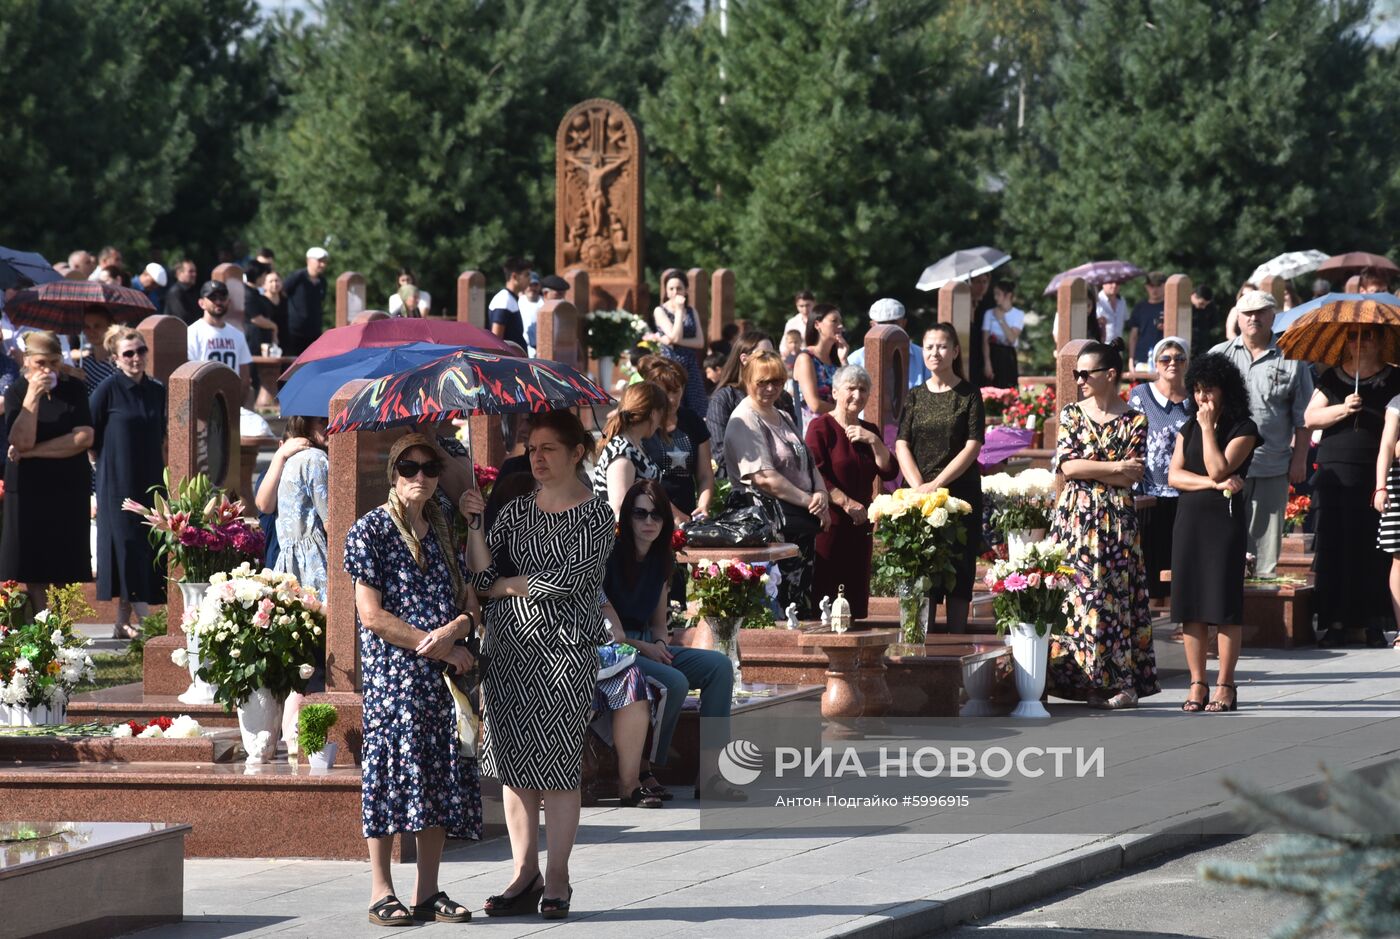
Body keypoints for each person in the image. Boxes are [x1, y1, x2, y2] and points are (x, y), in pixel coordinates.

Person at [460, 410, 615, 921]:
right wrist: (476, 526)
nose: (538, 457)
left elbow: (570, 581)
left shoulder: (596, 515)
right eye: (532, 448)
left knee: (558, 769)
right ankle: (523, 872)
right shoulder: (516, 510)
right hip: (508, 651)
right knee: (512, 766)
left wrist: (507, 585)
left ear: (577, 452)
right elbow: (484, 576)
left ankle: (558, 877)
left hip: (565, 651)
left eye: (549, 448)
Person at [344, 433, 482, 927]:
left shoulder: (446, 527)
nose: (420, 476)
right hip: (395, 677)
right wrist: (436, 640)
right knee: (387, 774)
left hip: (442, 677)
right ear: (393, 473)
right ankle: (381, 888)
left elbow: (470, 602)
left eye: (429, 467)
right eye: (409, 467)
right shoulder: (370, 532)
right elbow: (372, 615)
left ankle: (427, 891)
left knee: (441, 775)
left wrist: (457, 631)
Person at [602, 480, 740, 801]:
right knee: (675, 682)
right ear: (626, 518)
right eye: (640, 514)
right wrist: (647, 647)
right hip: (616, 650)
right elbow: (609, 631)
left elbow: (659, 624)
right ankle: (646, 767)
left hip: (650, 645)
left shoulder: (662, 560)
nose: (649, 522)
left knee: (719, 667)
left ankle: (710, 774)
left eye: (657, 515)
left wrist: (661, 645)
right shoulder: (609, 556)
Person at [1047, 340, 1158, 708]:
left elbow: (1133, 475)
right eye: (1076, 374)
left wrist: (1101, 469)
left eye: (1085, 374)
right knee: (1074, 597)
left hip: (1116, 521)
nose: (1079, 380)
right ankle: (1074, 682)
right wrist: (1112, 467)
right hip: (1076, 518)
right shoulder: (1071, 415)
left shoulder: (1135, 419)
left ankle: (1121, 683)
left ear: (1109, 375)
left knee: (1114, 598)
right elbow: (1069, 466)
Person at [1168, 354, 1261, 712]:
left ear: (1226, 390)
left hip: (1224, 522)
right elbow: (1174, 476)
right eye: (1197, 390)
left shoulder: (1244, 428)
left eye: (1209, 389)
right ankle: (1197, 682)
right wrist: (1211, 483)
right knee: (1190, 604)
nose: (1202, 397)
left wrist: (1209, 430)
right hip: (1189, 520)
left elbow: (1220, 467)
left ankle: (1225, 684)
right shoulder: (1187, 426)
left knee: (1223, 605)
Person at [1306, 328, 1400, 648]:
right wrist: (1343, 409)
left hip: (1374, 472)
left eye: (1370, 336)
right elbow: (1310, 418)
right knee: (1336, 546)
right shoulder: (1333, 377)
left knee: (1372, 549)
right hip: (1335, 470)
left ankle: (1373, 621)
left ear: (1381, 341)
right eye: (1353, 336)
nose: (1361, 342)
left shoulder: (1394, 379)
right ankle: (1336, 621)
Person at [1210, 290, 1312, 579]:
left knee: (1265, 552)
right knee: (1224, 544)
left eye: (1261, 312)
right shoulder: (1219, 356)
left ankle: (1262, 607)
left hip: (1273, 463)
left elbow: (1303, 416)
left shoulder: (1293, 357)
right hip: (1226, 467)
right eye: (1247, 313)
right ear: (1238, 317)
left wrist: (1300, 459)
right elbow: (1202, 412)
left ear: (1273, 315)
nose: (1254, 318)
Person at [725, 350, 830, 617]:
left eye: (778, 382)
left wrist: (821, 495)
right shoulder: (745, 419)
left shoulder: (784, 415)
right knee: (778, 603)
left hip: (799, 519)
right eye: (763, 382)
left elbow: (807, 460)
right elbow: (764, 478)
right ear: (748, 379)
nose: (771, 388)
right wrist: (811, 502)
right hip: (768, 521)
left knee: (801, 602)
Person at [894, 324, 985, 633]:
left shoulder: (969, 394)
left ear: (955, 351)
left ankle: (956, 643)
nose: (935, 352)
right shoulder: (915, 395)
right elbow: (902, 442)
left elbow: (973, 445)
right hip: (920, 497)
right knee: (923, 567)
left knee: (959, 568)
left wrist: (938, 484)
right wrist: (919, 485)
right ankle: (924, 639)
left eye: (942, 346)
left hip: (960, 494)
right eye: (929, 346)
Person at [0, 331, 94, 599]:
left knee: (65, 559)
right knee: (32, 561)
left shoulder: (73, 388)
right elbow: (21, 440)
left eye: (54, 362)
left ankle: (62, 627)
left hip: (67, 485)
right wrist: (33, 395)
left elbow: (83, 437)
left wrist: (31, 453)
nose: (48, 369)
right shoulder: (17, 391)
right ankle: (41, 624)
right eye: (41, 362)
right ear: (27, 360)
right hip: (29, 486)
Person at [89, 326, 165, 639]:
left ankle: (123, 620)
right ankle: (140, 620)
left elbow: (162, 436)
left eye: (140, 351)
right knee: (124, 545)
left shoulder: (157, 390)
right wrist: (98, 469)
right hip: (117, 480)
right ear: (116, 359)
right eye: (128, 353)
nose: (136, 358)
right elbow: (90, 435)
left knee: (146, 545)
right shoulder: (107, 389)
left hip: (150, 478)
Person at [807, 365, 897, 620]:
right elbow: (815, 473)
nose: (857, 395)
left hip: (860, 529)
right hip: (829, 526)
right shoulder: (820, 427)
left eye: (863, 390)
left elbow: (888, 471)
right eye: (851, 388)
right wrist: (847, 504)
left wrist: (874, 441)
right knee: (825, 601)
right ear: (835, 392)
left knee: (853, 606)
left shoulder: (869, 430)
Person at [1127, 337, 1191, 603]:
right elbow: (1131, 438)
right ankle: (1151, 624)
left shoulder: (1193, 399)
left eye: (1179, 358)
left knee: (1181, 559)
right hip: (1150, 490)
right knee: (1151, 561)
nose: (1172, 363)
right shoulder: (1141, 395)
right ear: (1156, 363)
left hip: (1185, 490)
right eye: (1166, 358)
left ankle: (1181, 618)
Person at [707, 331, 796, 478]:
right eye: (763, 355)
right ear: (744, 359)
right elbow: (721, 454)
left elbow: (798, 448)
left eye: (772, 354)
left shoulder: (783, 398)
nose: (770, 360)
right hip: (743, 484)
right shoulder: (724, 399)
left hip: (789, 478)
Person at [638, 356, 715, 524]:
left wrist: (703, 506)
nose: (672, 399)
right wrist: (673, 514)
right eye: (665, 392)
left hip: (688, 516)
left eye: (676, 391)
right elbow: (641, 481)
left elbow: (705, 474)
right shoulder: (641, 425)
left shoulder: (692, 421)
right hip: (650, 517)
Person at [272, 416, 329, 601]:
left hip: (290, 564)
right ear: (305, 424)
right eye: (322, 421)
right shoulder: (316, 459)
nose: (330, 426)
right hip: (315, 562)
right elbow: (332, 521)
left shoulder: (295, 458)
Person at [591, 382, 667, 518]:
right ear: (654, 414)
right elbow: (619, 511)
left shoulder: (634, 445)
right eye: (662, 415)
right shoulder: (622, 451)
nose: (660, 423)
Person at [652, 271, 708, 415]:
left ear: (686, 290)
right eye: (671, 288)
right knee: (674, 406)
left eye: (679, 288)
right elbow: (675, 336)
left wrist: (666, 339)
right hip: (671, 364)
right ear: (666, 290)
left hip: (690, 363)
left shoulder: (691, 311)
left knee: (697, 407)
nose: (675, 292)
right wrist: (678, 311)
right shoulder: (660, 310)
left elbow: (700, 342)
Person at [848, 297, 932, 391]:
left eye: (893, 323)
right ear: (872, 325)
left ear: (904, 323)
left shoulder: (923, 357)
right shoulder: (856, 360)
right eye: (882, 323)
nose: (888, 329)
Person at [186, 281, 252, 398]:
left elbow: (245, 377)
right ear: (201, 303)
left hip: (231, 397)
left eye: (222, 297)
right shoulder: (192, 332)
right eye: (213, 298)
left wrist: (238, 404)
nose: (218, 302)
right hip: (204, 397)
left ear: (229, 302)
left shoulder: (238, 335)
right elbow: (188, 373)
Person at [1371, 392, 1400, 649]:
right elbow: (1387, 447)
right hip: (1399, 484)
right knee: (1399, 557)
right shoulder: (1397, 403)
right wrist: (1381, 487)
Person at [793, 303, 847, 432]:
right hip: (814, 432)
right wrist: (845, 410)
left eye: (840, 321)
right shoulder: (806, 358)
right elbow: (814, 404)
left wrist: (844, 359)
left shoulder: (836, 361)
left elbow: (850, 389)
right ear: (817, 325)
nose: (840, 326)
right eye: (834, 321)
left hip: (837, 428)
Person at [282, 247, 330, 356]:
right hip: (295, 331)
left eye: (324, 262)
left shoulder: (322, 281)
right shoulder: (297, 277)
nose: (322, 265)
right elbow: (283, 293)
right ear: (308, 261)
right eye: (319, 261)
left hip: (314, 331)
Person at [981, 279, 1024, 388]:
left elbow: (1012, 338)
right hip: (993, 353)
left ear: (1008, 295)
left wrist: (1001, 319)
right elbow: (985, 340)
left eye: (998, 294)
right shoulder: (989, 313)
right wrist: (987, 363)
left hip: (1008, 354)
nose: (995, 297)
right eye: (995, 294)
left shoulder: (1018, 314)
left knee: (1009, 388)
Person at [1126, 271, 1166, 372]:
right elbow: (1133, 336)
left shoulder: (1170, 307)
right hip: (1142, 358)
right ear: (1146, 286)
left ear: (1165, 286)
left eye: (1158, 285)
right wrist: (1131, 361)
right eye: (1151, 286)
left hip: (1164, 357)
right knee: (1141, 387)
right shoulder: (1139, 307)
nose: (1155, 289)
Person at [489, 258, 531, 352]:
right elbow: (496, 340)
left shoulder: (511, 298)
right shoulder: (504, 299)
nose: (530, 279)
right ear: (514, 276)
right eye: (526, 275)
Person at [77, 306, 118, 395]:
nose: (92, 331)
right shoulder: (82, 362)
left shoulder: (119, 363)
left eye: (97, 326)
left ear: (110, 327)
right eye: (87, 327)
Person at [165, 260, 199, 324]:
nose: (195, 274)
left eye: (195, 271)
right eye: (191, 271)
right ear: (179, 273)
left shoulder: (193, 291)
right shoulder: (175, 292)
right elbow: (182, 317)